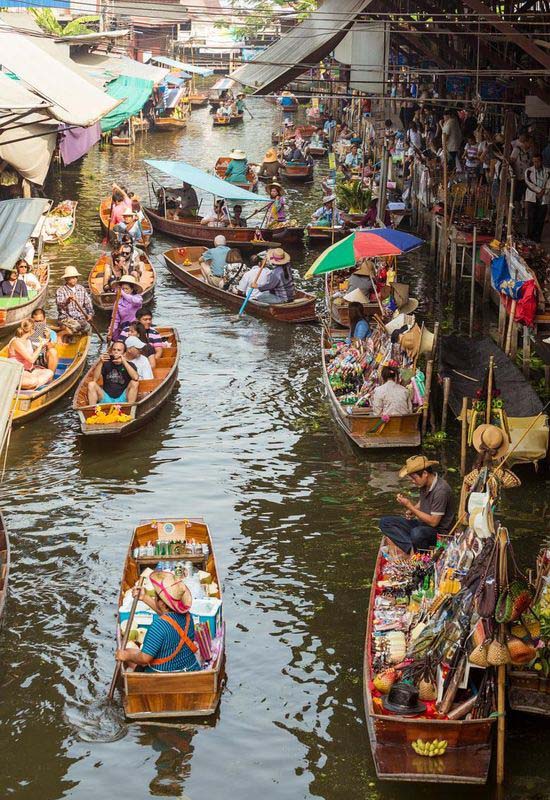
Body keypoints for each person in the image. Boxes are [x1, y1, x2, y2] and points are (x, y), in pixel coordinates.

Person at [115, 570, 200, 674]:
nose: (154, 597)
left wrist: (126, 655)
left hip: (162, 675)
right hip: (190, 668)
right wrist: (144, 597)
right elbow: (168, 616)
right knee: (131, 652)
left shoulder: (159, 625)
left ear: (162, 604)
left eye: (156, 597)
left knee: (128, 652)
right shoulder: (188, 616)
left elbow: (144, 658)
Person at [378, 456, 455, 554]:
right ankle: (411, 549)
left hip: (438, 532)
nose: (412, 481)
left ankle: (417, 552)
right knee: (385, 522)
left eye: (414, 478)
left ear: (425, 474)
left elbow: (434, 522)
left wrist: (409, 506)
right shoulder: (424, 483)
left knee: (417, 533)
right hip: (423, 524)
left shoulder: (441, 491)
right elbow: (422, 501)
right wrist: (413, 509)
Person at [87, 341, 139, 405]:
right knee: (91, 384)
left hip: (122, 398)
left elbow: (136, 378)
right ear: (111, 352)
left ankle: (129, 409)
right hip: (106, 398)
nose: (116, 351)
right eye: (114, 349)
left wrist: (124, 362)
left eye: (119, 350)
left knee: (134, 383)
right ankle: (92, 411)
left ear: (124, 353)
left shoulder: (130, 365)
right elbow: (95, 379)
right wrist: (101, 362)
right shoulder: (106, 363)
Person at [7, 319, 53, 389]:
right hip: (17, 372)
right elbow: (31, 360)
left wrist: (46, 340)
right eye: (35, 329)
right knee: (33, 381)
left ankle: (32, 385)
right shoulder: (16, 342)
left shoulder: (28, 341)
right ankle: (32, 384)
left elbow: (35, 352)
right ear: (31, 330)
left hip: (29, 370)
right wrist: (40, 345)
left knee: (49, 372)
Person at [55, 266, 93, 337]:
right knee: (76, 326)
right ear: (66, 279)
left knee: (88, 326)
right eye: (71, 278)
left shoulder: (81, 289)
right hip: (66, 318)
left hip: (80, 318)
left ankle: (78, 335)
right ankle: (66, 332)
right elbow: (60, 306)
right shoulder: (60, 290)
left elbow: (88, 304)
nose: (74, 280)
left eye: (75, 277)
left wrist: (90, 314)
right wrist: (67, 301)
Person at [525, 154, 549, 242]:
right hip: (532, 197)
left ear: (541, 161)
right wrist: (539, 191)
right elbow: (528, 183)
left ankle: (537, 238)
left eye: (538, 161)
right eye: (534, 161)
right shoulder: (529, 171)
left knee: (540, 218)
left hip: (544, 197)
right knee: (531, 218)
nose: (536, 163)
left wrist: (543, 192)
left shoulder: (547, 171)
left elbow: (549, 184)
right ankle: (529, 237)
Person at [110, 275, 143, 342]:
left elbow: (136, 302)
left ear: (132, 289)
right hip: (124, 328)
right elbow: (115, 319)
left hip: (136, 328)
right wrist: (111, 331)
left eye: (126, 289)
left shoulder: (137, 298)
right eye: (123, 289)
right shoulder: (118, 302)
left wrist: (123, 294)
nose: (124, 291)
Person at [30, 307, 58, 372]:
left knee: (53, 352)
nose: (39, 324)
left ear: (45, 320)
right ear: (32, 320)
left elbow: (51, 348)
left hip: (43, 359)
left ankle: (50, 377)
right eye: (36, 321)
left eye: (40, 321)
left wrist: (48, 338)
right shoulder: (28, 332)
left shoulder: (51, 333)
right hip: (29, 357)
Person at [510, 133, 532, 210]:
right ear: (525, 142)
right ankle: (517, 215)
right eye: (529, 142)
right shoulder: (517, 149)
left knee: (527, 197)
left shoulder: (530, 152)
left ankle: (525, 215)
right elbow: (511, 161)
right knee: (517, 198)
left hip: (527, 178)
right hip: (518, 178)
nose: (530, 144)